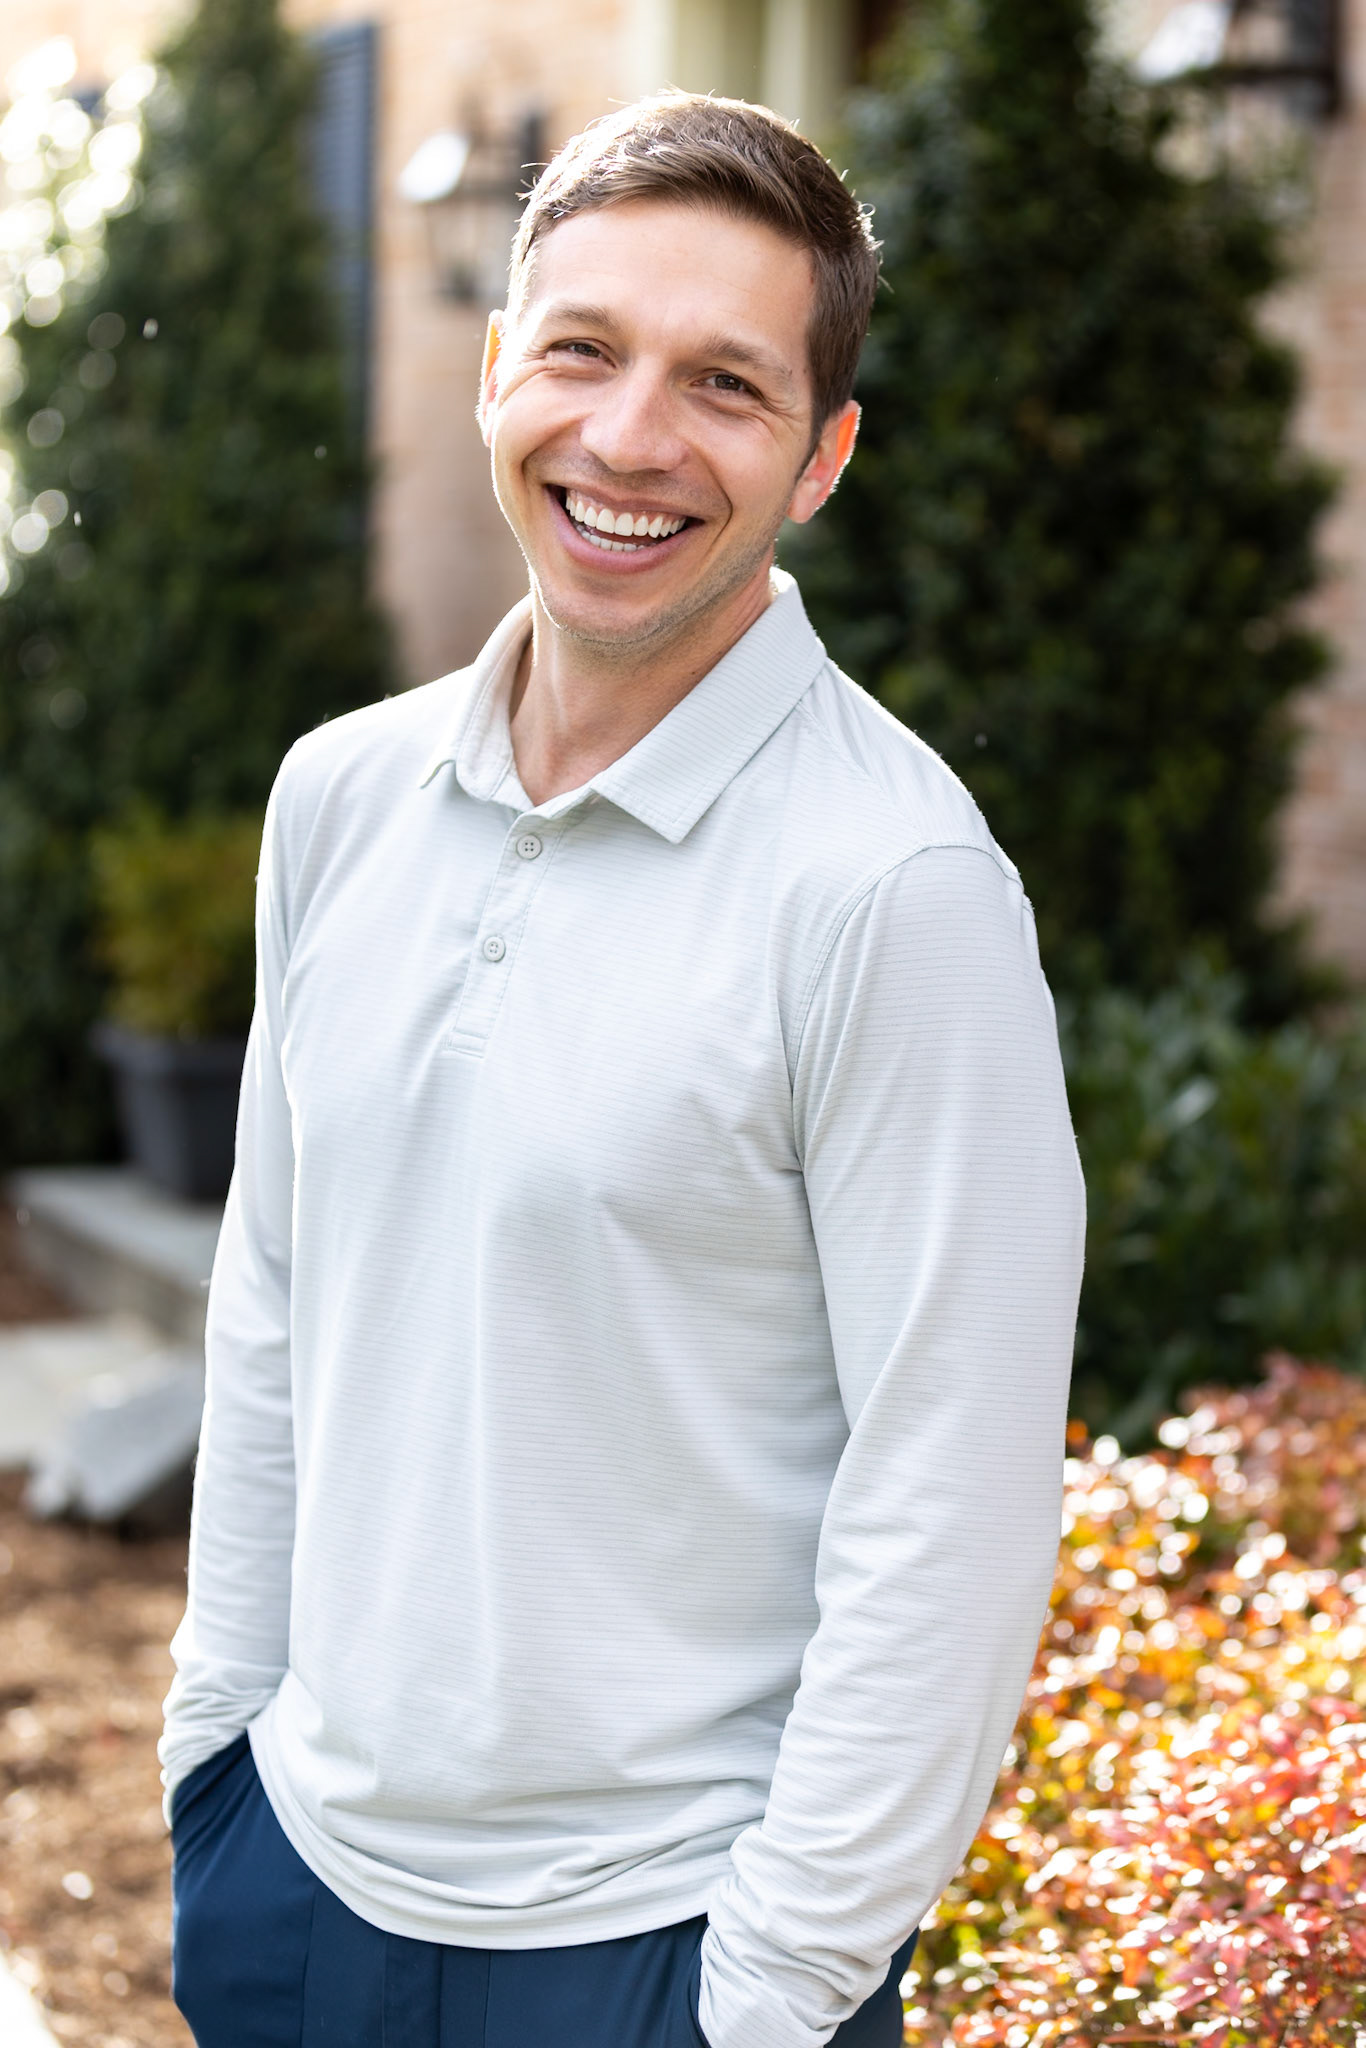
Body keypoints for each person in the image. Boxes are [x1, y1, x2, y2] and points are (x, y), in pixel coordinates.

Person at [160, 90, 1085, 2048]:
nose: (630, 436)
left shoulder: (894, 888)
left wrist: (766, 1991)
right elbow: (273, 1305)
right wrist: (215, 1760)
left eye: (725, 384)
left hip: (662, 1951)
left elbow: (954, 1488)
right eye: (582, 348)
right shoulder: (337, 796)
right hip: (299, 1891)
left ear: (821, 459)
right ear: (498, 365)